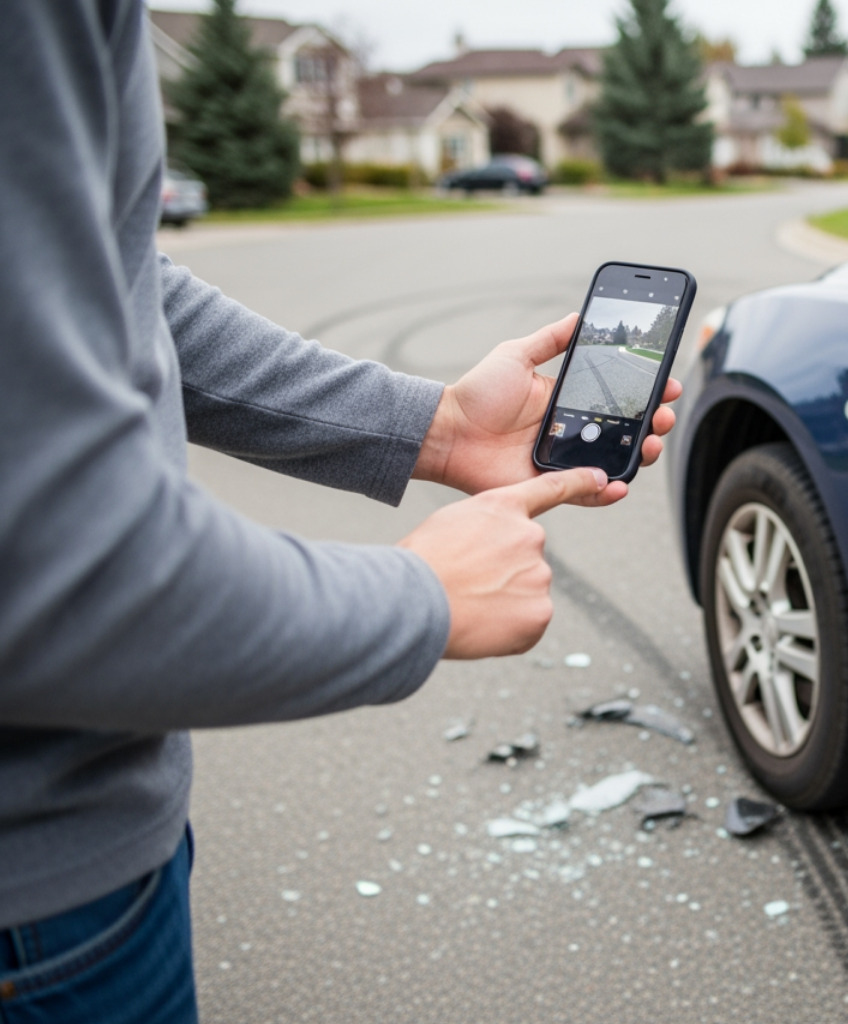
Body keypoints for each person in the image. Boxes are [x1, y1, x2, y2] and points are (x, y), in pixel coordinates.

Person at [0, 3, 681, 1020]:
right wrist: (421, 596)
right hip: (41, 906)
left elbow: (122, 281)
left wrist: (435, 428)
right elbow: (65, 570)